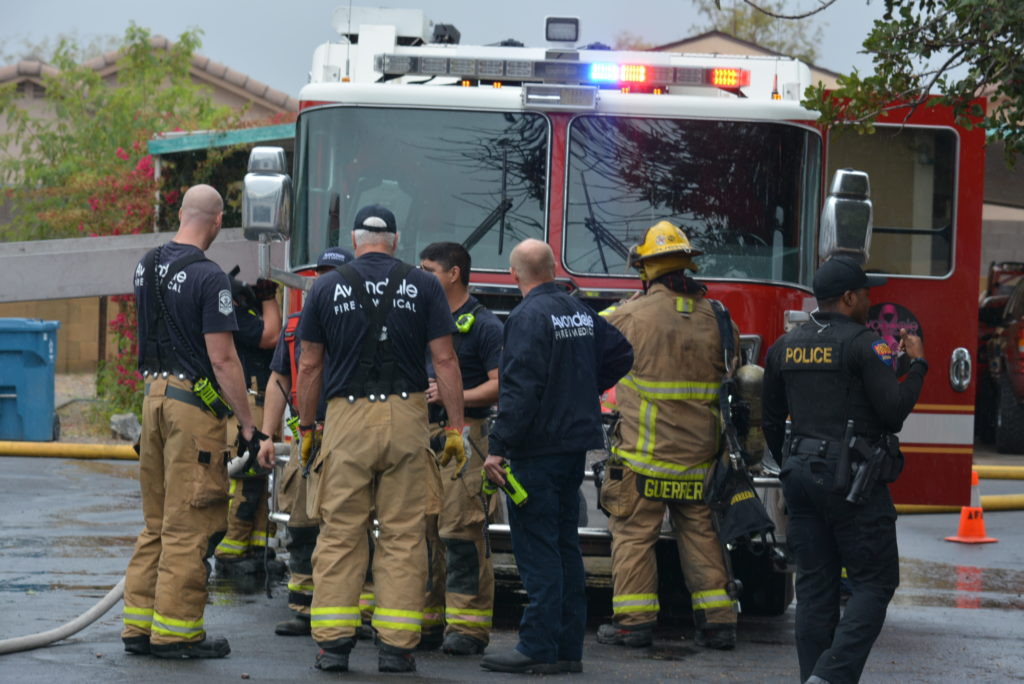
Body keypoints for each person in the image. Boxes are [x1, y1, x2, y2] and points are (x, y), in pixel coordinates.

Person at [287, 204, 466, 673]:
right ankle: (396, 649)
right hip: (408, 417)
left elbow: (309, 365)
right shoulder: (424, 284)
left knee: (341, 532)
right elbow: (446, 361)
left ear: (354, 240)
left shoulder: (324, 287)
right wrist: (455, 427)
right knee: (404, 534)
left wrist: (306, 428)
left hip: (346, 419)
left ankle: (333, 646)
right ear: (395, 240)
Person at [762, 256, 927, 684]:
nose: (871, 302)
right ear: (850, 298)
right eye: (867, 294)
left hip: (799, 479)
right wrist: (917, 365)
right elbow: (893, 411)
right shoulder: (864, 344)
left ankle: (813, 677)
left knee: (815, 591)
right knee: (875, 582)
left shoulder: (784, 346)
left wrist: (792, 463)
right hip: (852, 482)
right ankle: (831, 676)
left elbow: (770, 419)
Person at [481, 239, 633, 675]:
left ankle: (537, 646)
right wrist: (581, 388)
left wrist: (498, 446)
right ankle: (567, 648)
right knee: (566, 546)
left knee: (538, 550)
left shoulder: (526, 316)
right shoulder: (579, 310)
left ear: (514, 274)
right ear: (551, 269)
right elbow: (622, 353)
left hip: (536, 450)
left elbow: (520, 389)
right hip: (572, 448)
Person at [123, 184, 261, 659]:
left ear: (181, 213)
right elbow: (222, 359)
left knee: (156, 522)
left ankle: (139, 626)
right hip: (191, 410)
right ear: (218, 221)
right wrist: (248, 425)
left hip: (153, 401)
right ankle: (177, 633)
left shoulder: (145, 265)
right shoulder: (209, 276)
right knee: (190, 523)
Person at [596, 221, 740, 651]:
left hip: (643, 458)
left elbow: (586, 338)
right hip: (699, 460)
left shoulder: (627, 316)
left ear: (646, 269)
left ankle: (634, 624)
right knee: (701, 534)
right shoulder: (719, 318)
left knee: (634, 535)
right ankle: (718, 623)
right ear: (687, 265)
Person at [255, 246, 355, 636]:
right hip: (307, 437)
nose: (323, 282)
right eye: (320, 274)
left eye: (333, 275)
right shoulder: (295, 325)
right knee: (300, 522)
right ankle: (304, 604)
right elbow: (279, 379)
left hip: (348, 433)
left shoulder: (361, 322)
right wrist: (267, 435)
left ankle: (355, 608)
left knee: (350, 523)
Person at [418, 242, 503, 656]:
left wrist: (454, 394)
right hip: (424, 437)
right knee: (424, 531)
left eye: (428, 270)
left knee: (462, 532)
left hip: (468, 435)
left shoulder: (485, 325)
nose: (420, 276)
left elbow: (501, 384)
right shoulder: (421, 320)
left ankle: (467, 628)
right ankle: (428, 622)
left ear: (454, 274)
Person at [214, 268, 283, 574]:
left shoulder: (247, 312)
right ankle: (230, 550)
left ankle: (257, 545)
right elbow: (272, 336)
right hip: (249, 401)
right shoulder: (232, 316)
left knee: (262, 476)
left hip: (263, 402)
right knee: (247, 476)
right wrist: (268, 298)